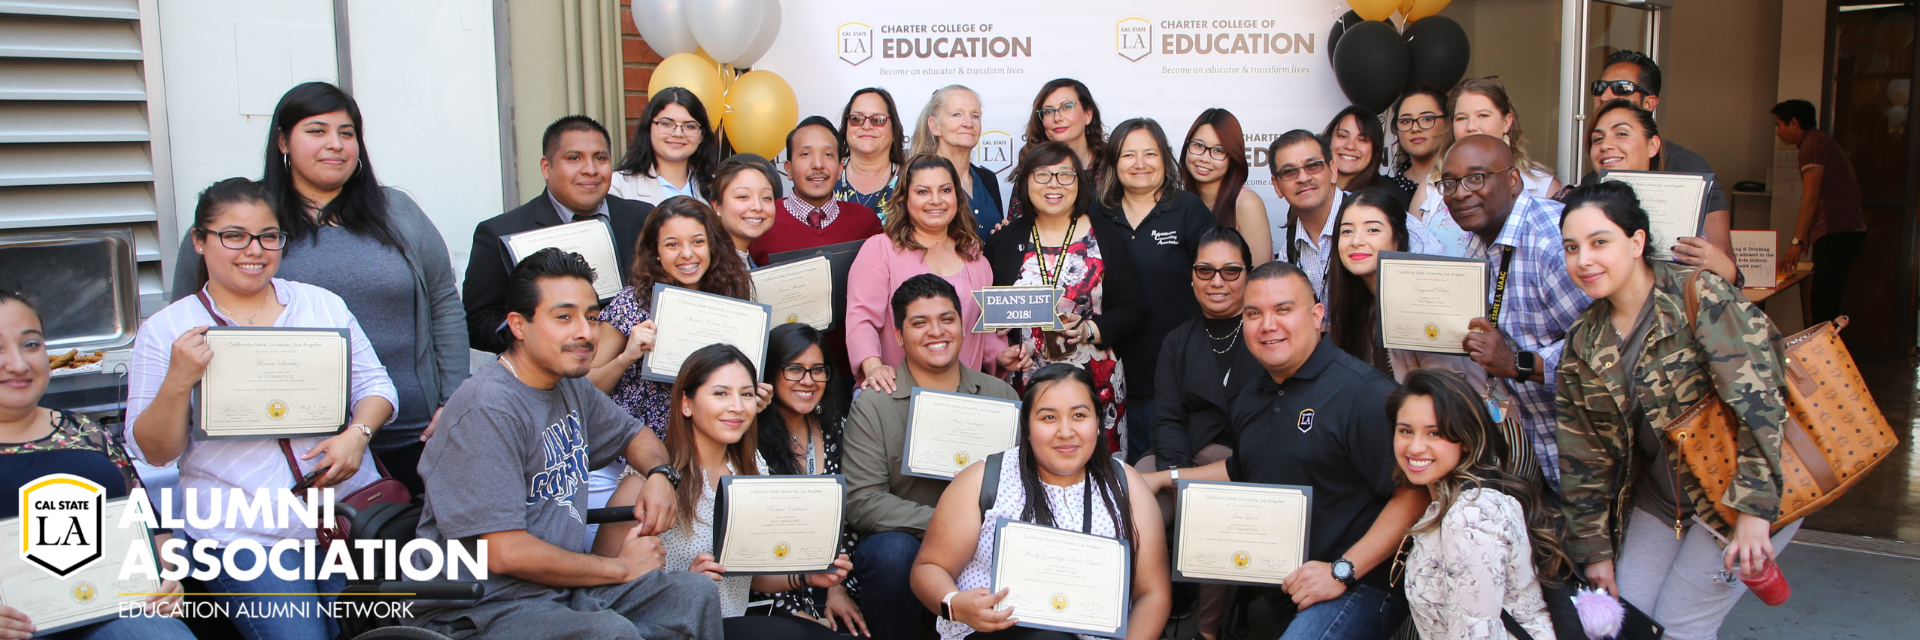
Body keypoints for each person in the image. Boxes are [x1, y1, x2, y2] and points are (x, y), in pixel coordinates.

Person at [127, 178, 398, 640]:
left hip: (346, 517)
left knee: (373, 634)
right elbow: (155, 452)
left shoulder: (319, 305)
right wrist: (178, 379)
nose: (253, 250)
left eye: (268, 236)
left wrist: (358, 436)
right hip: (244, 534)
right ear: (199, 241)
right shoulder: (167, 329)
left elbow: (378, 389)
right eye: (233, 235)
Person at [166, 82, 466, 496]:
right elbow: (187, 317)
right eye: (317, 131)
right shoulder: (241, 221)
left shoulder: (398, 212)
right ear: (283, 140)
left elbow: (445, 305)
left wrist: (454, 399)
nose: (336, 145)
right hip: (290, 450)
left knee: (422, 555)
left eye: (347, 133)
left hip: (414, 435)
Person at [408, 248, 720, 640]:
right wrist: (621, 568)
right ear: (518, 326)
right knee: (607, 635)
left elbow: (635, 435)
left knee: (693, 594)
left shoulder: (569, 386)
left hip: (558, 593)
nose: (585, 333)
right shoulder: (486, 410)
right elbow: (506, 552)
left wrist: (659, 474)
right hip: (481, 608)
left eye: (591, 317)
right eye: (564, 317)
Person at [1554, 181, 1800, 640]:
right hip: (1664, 497)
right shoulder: (1582, 343)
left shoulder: (1698, 295)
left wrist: (1753, 513)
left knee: (1679, 629)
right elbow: (1583, 461)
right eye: (1571, 247)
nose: (1583, 260)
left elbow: (1760, 403)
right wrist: (1595, 551)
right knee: (1626, 623)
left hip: (1740, 487)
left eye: (1599, 242)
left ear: (1637, 242)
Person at [1140, 262, 1423, 640]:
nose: (1267, 325)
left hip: (1360, 587)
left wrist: (1343, 570)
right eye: (1254, 313)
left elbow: (1414, 493)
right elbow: (1243, 469)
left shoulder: (1364, 393)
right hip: (1287, 588)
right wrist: (1163, 478)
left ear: (1317, 316)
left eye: (1283, 310)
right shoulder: (1251, 396)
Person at [593, 344, 851, 640]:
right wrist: (683, 586)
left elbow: (747, 574)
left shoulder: (751, 467)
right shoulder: (648, 482)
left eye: (746, 394)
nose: (737, 406)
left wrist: (803, 577)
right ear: (686, 404)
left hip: (729, 622)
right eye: (720, 393)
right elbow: (601, 594)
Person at [912, 364, 1171, 640]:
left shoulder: (1125, 484)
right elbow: (929, 568)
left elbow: (1153, 594)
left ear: (1098, 422)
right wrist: (955, 605)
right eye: (1048, 418)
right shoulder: (985, 479)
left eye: (1079, 415)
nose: (1065, 431)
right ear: (1027, 427)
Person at [0, 290, 193, 640]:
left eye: (31, 345)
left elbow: (149, 525)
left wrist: (167, 581)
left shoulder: (86, 433)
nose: (18, 363)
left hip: (114, 619)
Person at [842, 275, 1021, 640]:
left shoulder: (1000, 394)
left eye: (947, 319)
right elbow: (862, 501)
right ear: (897, 336)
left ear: (962, 325)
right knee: (890, 552)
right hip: (911, 542)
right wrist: (952, 529)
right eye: (919, 323)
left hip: (992, 541)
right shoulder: (874, 403)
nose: (936, 332)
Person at [587, 197, 756, 541]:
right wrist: (627, 356)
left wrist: (754, 395)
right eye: (672, 244)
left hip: (704, 459)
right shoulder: (631, 302)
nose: (687, 254)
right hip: (629, 459)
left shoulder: (734, 301)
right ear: (656, 252)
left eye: (697, 241)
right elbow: (586, 388)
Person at [1133, 227, 1262, 640]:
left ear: (1249, 275)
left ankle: (1207, 632)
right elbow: (1167, 418)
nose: (1217, 281)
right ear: (1191, 277)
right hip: (1180, 455)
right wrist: (1176, 476)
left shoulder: (1266, 334)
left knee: (1216, 510)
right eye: (1205, 271)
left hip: (1243, 462)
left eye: (1230, 270)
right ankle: (1128, 614)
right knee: (1131, 495)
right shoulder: (1178, 340)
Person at [1442, 134, 1590, 489]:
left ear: (1512, 180)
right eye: (1449, 183)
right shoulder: (1478, 243)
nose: (1460, 192)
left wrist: (1516, 362)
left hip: (1591, 458)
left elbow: (1602, 350)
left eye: (1476, 178)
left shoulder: (1552, 243)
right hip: (1538, 452)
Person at [984, 141, 1147, 455]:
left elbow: (1136, 309)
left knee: (1098, 479)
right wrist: (999, 352)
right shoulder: (1004, 241)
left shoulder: (1106, 236)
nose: (1053, 185)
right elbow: (987, 317)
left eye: (1064, 175)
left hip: (1094, 384)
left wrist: (1089, 329)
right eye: (1042, 175)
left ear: (1080, 182)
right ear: (1025, 182)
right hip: (1024, 383)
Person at [1390, 368, 1568, 640]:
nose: (1415, 447)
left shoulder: (1470, 514)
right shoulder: (1450, 501)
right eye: (1405, 430)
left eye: (1434, 433)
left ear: (1466, 438)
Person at [466, 115, 653, 354]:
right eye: (574, 158)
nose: (590, 170)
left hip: (634, 374)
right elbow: (477, 323)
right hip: (550, 379)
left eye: (600, 158)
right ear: (546, 167)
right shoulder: (503, 232)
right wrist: (539, 334)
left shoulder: (644, 219)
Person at [1090, 117, 1216, 464]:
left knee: (1164, 468)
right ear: (1114, 162)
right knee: (1114, 473)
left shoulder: (1187, 210)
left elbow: (1218, 280)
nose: (1140, 163)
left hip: (1174, 372)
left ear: (1165, 159)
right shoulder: (1096, 214)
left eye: (1151, 153)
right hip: (1108, 371)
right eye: (1129, 155)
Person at [846, 155, 1013, 390]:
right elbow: (860, 318)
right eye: (923, 192)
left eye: (945, 190)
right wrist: (873, 367)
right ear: (905, 199)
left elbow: (981, 329)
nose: (936, 200)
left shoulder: (976, 260)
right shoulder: (881, 249)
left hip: (962, 400)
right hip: (895, 393)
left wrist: (1001, 357)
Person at [750, 324, 869, 634]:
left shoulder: (837, 428)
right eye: (794, 369)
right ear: (771, 373)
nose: (808, 380)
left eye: (818, 370)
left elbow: (848, 522)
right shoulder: (747, 438)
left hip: (834, 579)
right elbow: (751, 541)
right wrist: (791, 610)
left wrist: (836, 587)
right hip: (767, 586)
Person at [1585, 50, 1738, 283]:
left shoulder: (1689, 168)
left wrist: (1726, 272)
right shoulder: (1587, 186)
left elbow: (1720, 258)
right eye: (1599, 87)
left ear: (1649, 103)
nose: (1606, 95)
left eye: (1622, 88)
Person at [1324, 189, 1491, 389]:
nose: (1356, 241)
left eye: (1373, 230)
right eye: (1347, 231)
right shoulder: (1357, 304)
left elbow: (1448, 397)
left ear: (1398, 238)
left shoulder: (1424, 302)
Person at [1773, 98, 1866, 324]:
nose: (1778, 132)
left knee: (1824, 307)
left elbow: (1811, 197)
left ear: (1794, 123)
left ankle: (1824, 358)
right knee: (1825, 302)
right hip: (1845, 231)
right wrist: (1805, 239)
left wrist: (1796, 242)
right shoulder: (1821, 141)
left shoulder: (1812, 145)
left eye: (1779, 125)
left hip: (1837, 232)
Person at [750, 116, 885, 265]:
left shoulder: (866, 222)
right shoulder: (761, 219)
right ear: (788, 169)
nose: (818, 165)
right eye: (805, 154)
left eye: (828, 154)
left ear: (840, 168)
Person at [1178, 108, 1273, 261]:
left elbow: (1258, 279)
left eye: (1218, 150)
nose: (1204, 158)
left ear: (1232, 158)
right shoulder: (1182, 202)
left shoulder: (1247, 203)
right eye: (1198, 146)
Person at [910, 85, 1004, 237]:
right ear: (934, 126)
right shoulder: (915, 176)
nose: (968, 123)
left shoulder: (988, 179)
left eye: (975, 116)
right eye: (956, 114)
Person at [1450, 77, 1564, 199]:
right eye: (1461, 118)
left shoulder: (1543, 187)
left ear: (1506, 122)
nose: (1471, 126)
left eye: (1483, 115)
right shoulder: (1435, 186)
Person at [1393, 86, 1473, 257]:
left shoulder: (1466, 185)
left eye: (1427, 118)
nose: (1415, 128)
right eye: (1406, 121)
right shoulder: (1384, 189)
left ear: (1448, 122)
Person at [1268, 130, 1345, 301]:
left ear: (1332, 170)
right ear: (1277, 186)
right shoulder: (1289, 251)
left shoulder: (1378, 218)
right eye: (1289, 171)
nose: (1303, 178)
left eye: (1312, 166)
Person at [612, 86, 718, 204]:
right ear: (648, 128)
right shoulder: (618, 186)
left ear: (702, 135)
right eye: (666, 124)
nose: (678, 133)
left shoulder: (718, 187)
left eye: (689, 126)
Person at [1022, 78, 1109, 188]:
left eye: (1067, 107)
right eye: (1048, 111)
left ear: (1088, 115)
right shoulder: (1031, 168)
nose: (1057, 118)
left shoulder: (1112, 166)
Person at [837, 87, 907, 220]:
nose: (867, 126)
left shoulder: (911, 181)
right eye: (856, 118)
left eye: (878, 119)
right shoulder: (827, 175)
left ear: (894, 131)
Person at [1325, 105, 1413, 202]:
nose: (1350, 146)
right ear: (1329, 140)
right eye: (1342, 136)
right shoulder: (1310, 186)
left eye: (1362, 140)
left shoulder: (1390, 196)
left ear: (1375, 148)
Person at [708, 155, 779, 266]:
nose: (757, 207)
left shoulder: (743, 258)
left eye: (766, 198)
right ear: (717, 206)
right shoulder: (708, 264)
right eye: (743, 196)